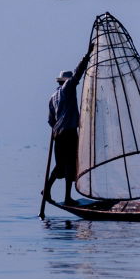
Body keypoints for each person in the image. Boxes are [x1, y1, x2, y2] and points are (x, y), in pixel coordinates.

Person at [45, 43, 93, 204]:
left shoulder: (53, 97)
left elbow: (51, 120)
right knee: (70, 165)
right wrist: (88, 54)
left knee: (60, 166)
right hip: (69, 133)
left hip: (58, 134)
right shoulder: (68, 88)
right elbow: (79, 72)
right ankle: (67, 197)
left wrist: (56, 131)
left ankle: (47, 190)